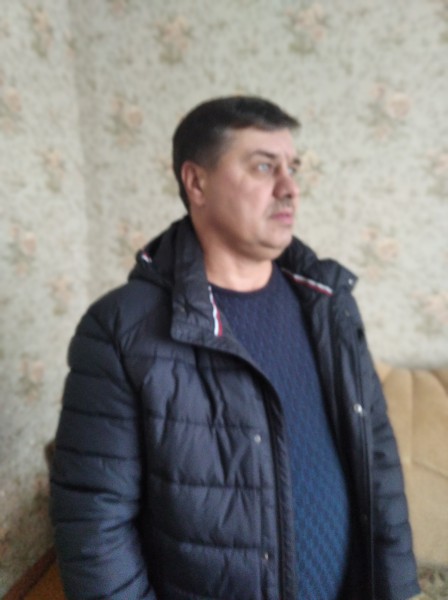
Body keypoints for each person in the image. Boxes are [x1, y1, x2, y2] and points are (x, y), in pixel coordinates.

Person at [50, 96, 421, 600]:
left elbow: (378, 459)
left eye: (293, 168)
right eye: (264, 166)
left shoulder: (329, 303)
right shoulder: (121, 328)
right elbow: (94, 524)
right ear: (196, 182)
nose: (289, 187)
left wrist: (397, 588)